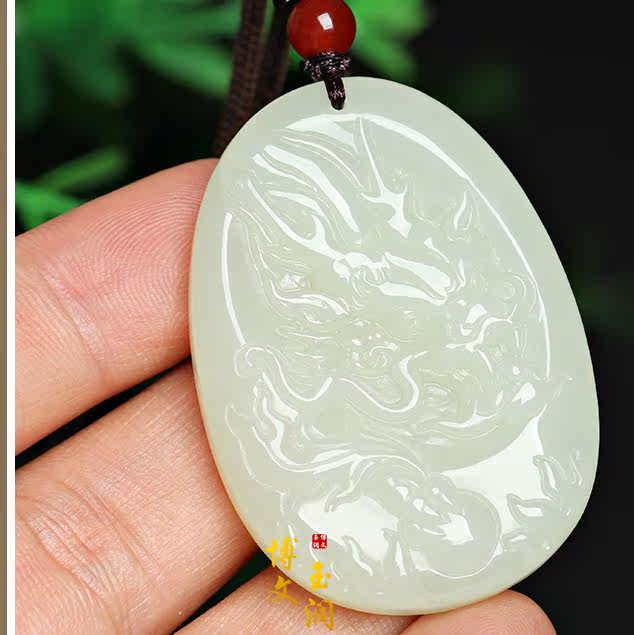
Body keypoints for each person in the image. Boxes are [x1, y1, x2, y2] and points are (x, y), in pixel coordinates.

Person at [15, 160, 556, 634]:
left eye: (427, 525)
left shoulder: (323, 505)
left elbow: (286, 418)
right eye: (443, 506)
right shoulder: (415, 424)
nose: (425, 504)